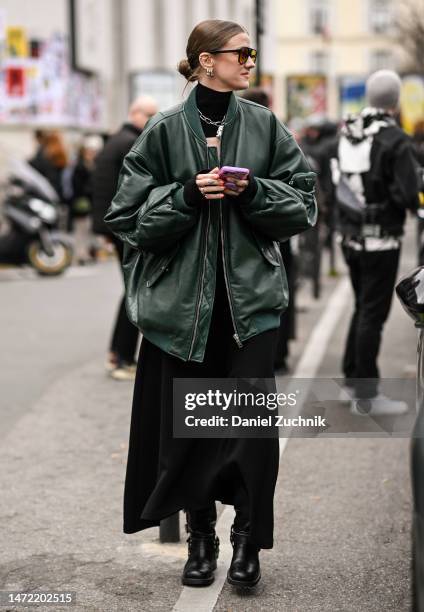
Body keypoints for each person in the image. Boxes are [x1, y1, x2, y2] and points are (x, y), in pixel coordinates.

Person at [104, 19, 317, 589]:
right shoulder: (165, 130)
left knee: (249, 433)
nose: (249, 60)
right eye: (239, 53)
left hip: (251, 308)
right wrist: (186, 195)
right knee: (191, 432)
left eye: (252, 52)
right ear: (204, 61)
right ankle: (201, 538)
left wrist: (255, 191)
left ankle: (248, 539)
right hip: (183, 311)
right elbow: (126, 218)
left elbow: (304, 202)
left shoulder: (265, 124)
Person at [330, 70, 420, 415]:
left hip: (349, 237)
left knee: (361, 307)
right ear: (395, 102)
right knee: (373, 313)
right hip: (381, 240)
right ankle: (365, 397)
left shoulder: (349, 130)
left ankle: (352, 382)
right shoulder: (395, 138)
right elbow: (409, 194)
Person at [91, 95, 158, 380]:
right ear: (136, 113)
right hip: (124, 228)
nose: (153, 123)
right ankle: (120, 356)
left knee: (133, 289)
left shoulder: (115, 140)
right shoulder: (130, 142)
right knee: (135, 291)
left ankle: (117, 354)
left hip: (113, 226)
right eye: (150, 116)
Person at [71, 135, 103, 265]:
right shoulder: (79, 166)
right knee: (81, 229)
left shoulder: (95, 165)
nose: (91, 154)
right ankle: (81, 254)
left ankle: (91, 252)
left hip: (92, 202)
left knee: (91, 229)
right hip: (81, 202)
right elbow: (77, 185)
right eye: (90, 151)